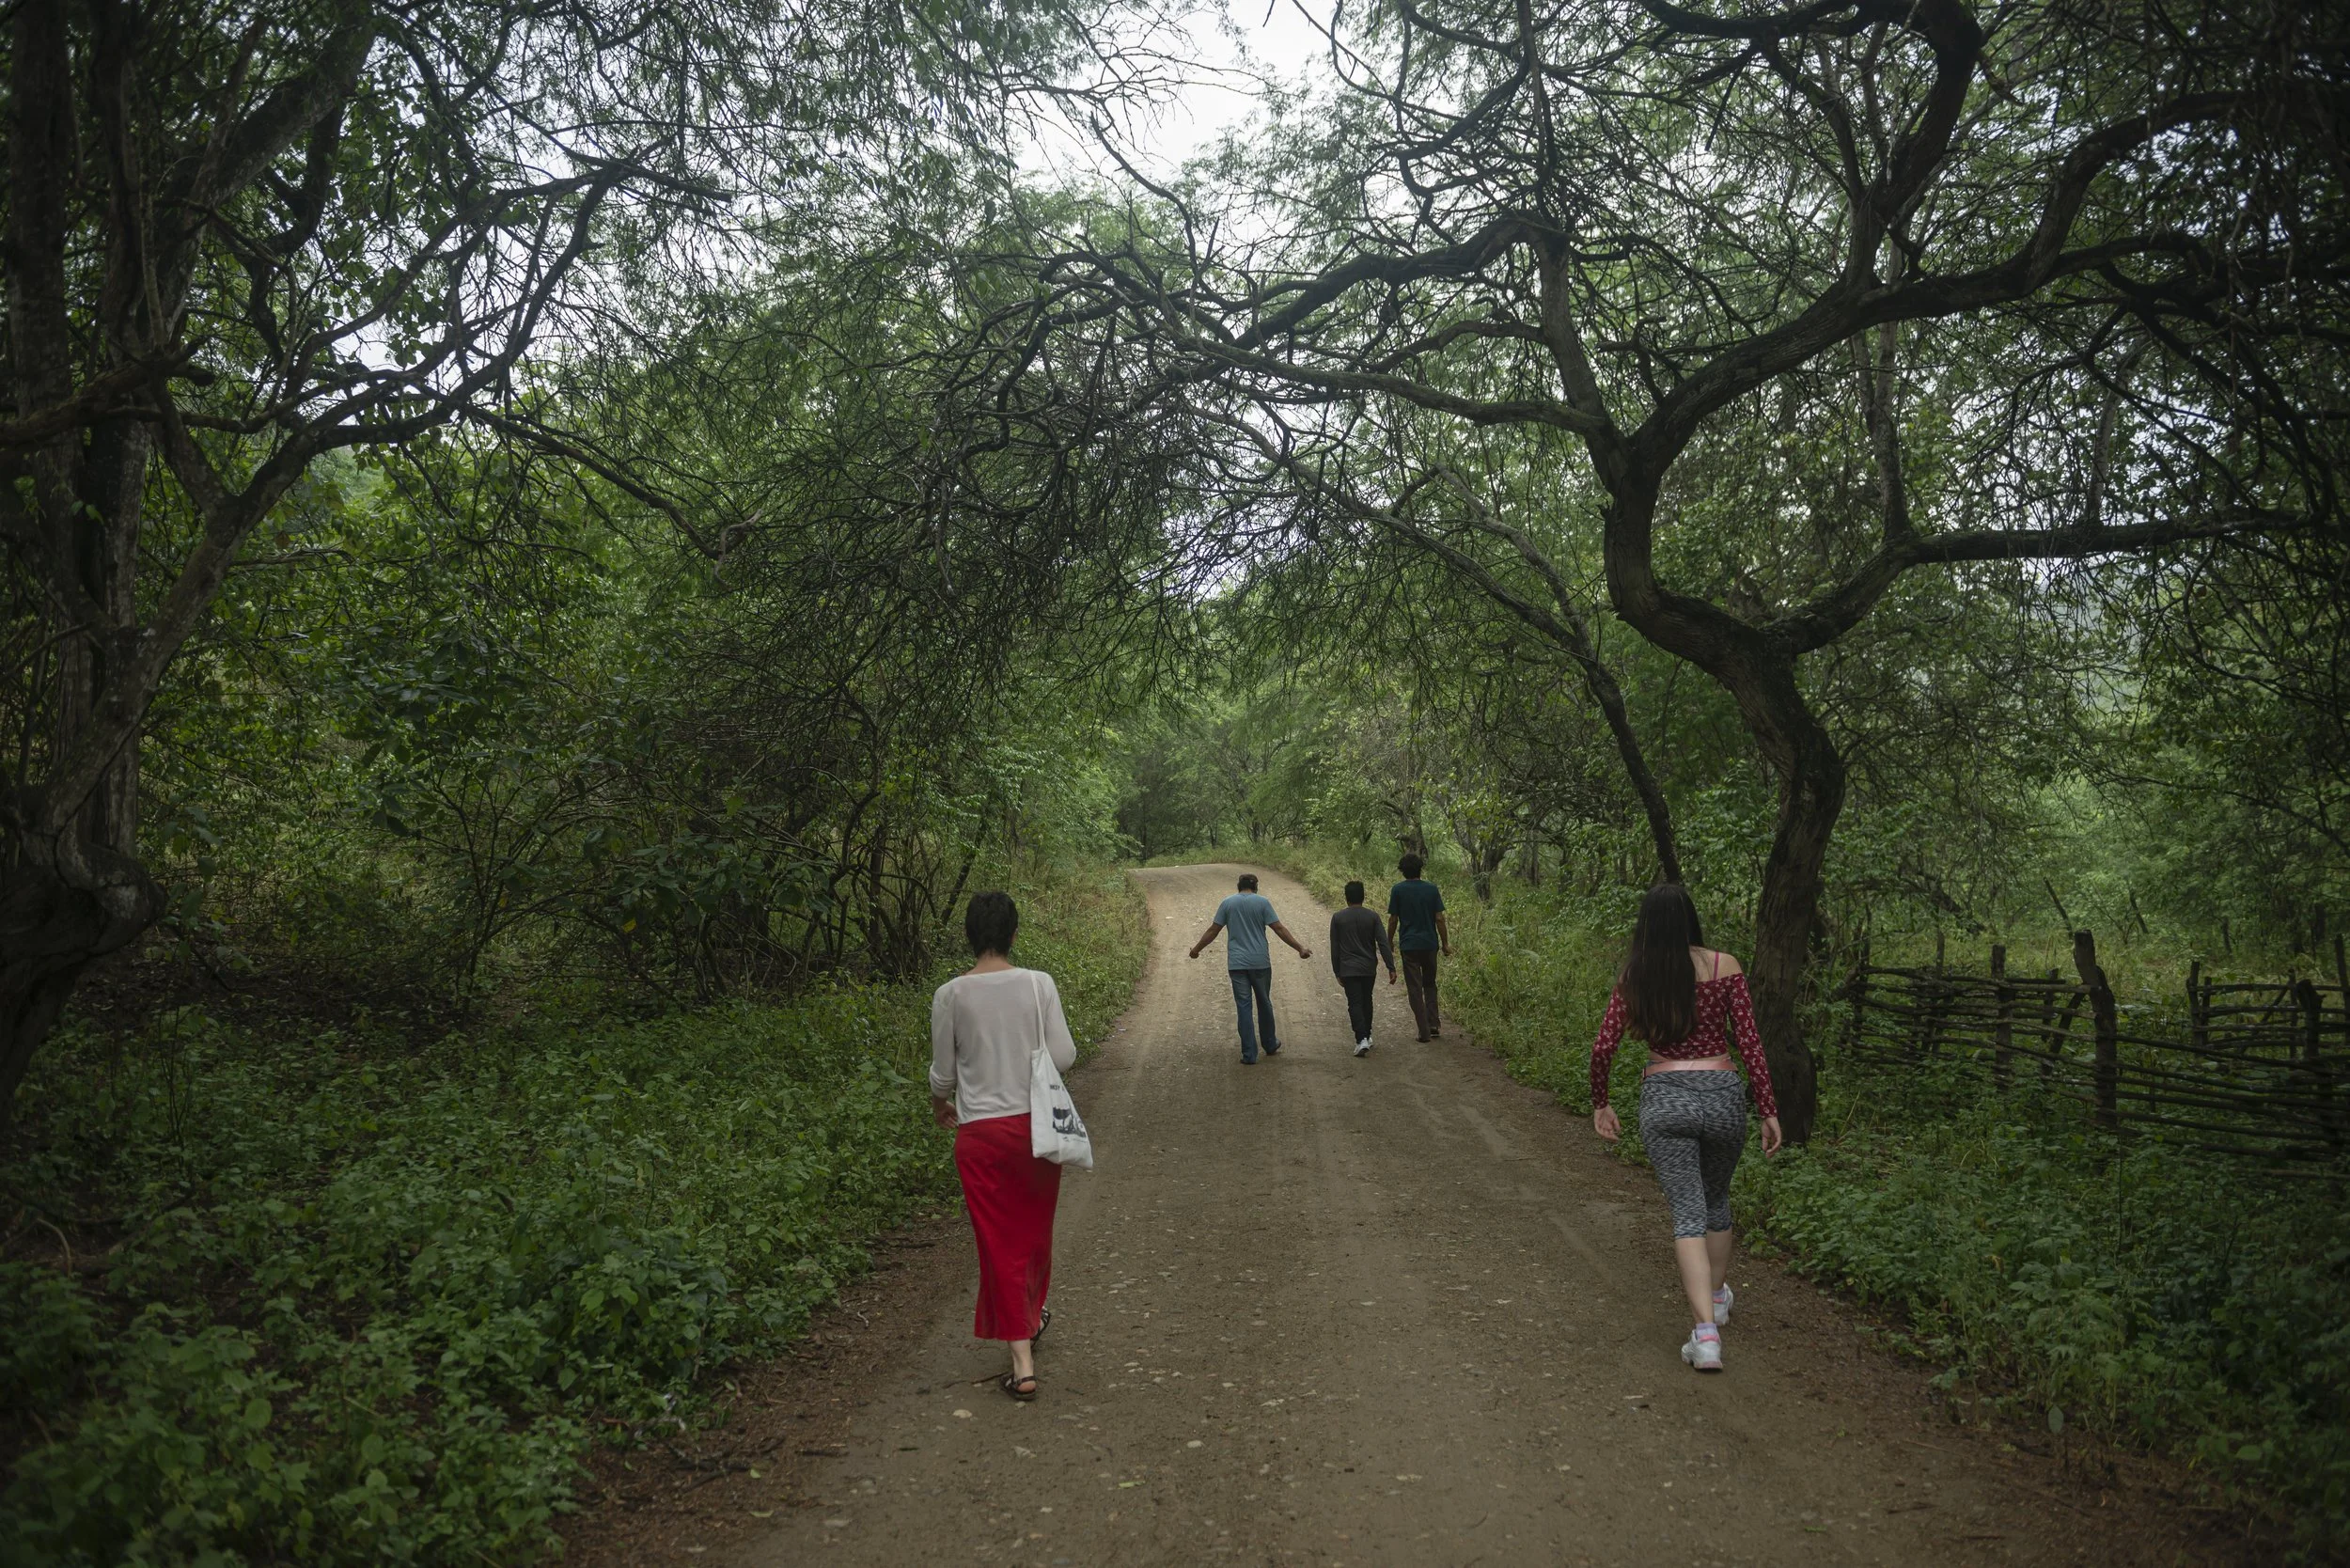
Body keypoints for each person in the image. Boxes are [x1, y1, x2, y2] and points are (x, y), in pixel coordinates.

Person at [1588, 883, 1784, 1373]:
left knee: (1687, 1215)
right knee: (1716, 1202)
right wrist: (1768, 1109)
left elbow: (1602, 1047)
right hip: (1722, 1096)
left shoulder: (1638, 974)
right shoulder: (1727, 966)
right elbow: (1751, 1043)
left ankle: (1705, 1334)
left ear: (1646, 925)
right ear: (1691, 919)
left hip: (1666, 1098)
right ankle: (1715, 1299)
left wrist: (1601, 1102)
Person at [931, 890, 1078, 1402]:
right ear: (1015, 934)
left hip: (983, 1136)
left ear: (969, 937)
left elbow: (943, 1075)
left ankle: (1022, 1358)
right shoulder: (1039, 986)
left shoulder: (950, 995)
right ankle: (1026, 1332)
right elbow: (1063, 1055)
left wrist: (938, 1104)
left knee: (999, 1241)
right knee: (1034, 1235)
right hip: (1037, 1131)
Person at [1187, 872, 1312, 1063]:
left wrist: (1196, 950)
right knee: (1264, 1003)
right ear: (1256, 886)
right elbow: (1278, 928)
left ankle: (1249, 1054)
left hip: (1237, 964)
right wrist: (1299, 948)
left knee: (1244, 1007)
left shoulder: (1227, 903)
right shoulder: (1262, 903)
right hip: (1260, 962)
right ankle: (1270, 1043)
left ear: (1239, 885)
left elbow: (1213, 930)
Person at [1385, 853, 1449, 1041]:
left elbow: (1393, 920)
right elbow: (1439, 918)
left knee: (1414, 987)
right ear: (1420, 869)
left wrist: (1389, 942)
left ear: (1403, 871)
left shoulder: (1398, 890)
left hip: (1409, 945)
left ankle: (1423, 1030)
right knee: (1430, 983)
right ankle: (1433, 1023)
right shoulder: (1431, 889)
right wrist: (1445, 944)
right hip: (1430, 944)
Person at [1329, 879, 1398, 1057]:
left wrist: (1337, 971)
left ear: (1346, 897)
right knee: (1367, 1000)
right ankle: (1367, 1034)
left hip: (1348, 968)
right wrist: (1391, 967)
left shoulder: (1338, 918)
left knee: (1355, 1003)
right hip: (1368, 967)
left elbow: (1335, 947)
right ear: (1363, 896)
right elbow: (1383, 943)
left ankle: (1361, 1039)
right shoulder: (1373, 916)